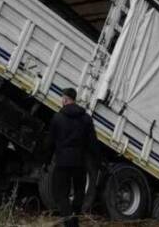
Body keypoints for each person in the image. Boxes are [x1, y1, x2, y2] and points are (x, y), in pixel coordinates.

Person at [45, 88, 98, 227]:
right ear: (75, 99)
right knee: (79, 192)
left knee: (60, 194)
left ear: (65, 99)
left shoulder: (57, 117)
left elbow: (50, 142)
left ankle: (70, 222)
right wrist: (99, 161)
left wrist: (46, 160)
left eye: (62, 98)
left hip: (62, 163)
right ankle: (74, 216)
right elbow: (93, 143)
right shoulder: (86, 118)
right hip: (80, 163)